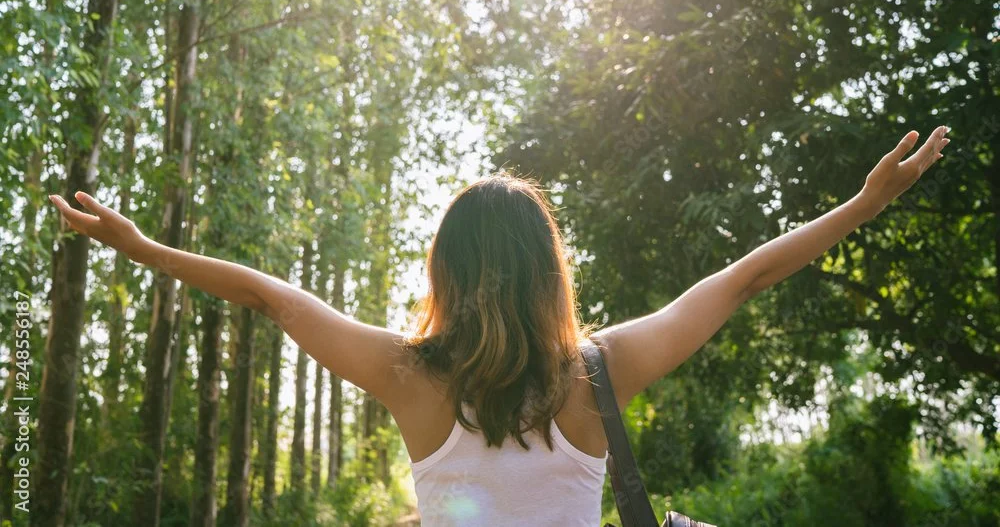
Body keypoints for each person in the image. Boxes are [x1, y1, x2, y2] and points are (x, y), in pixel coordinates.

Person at [49, 125, 950, 526]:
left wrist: (142, 245)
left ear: (444, 268)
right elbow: (745, 278)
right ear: (548, 267)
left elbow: (274, 297)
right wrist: (864, 203)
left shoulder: (408, 375)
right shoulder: (601, 371)